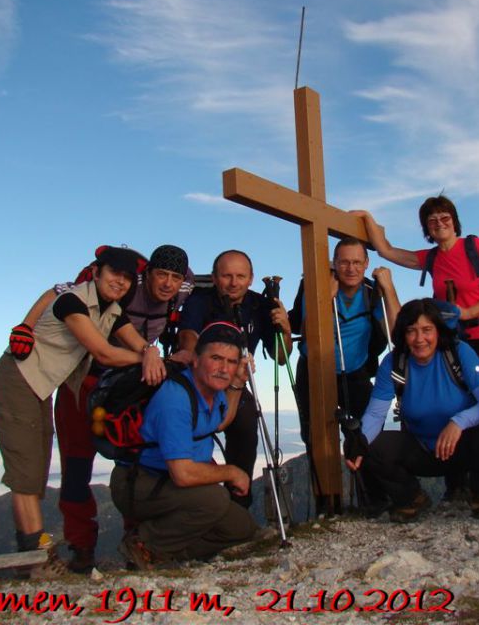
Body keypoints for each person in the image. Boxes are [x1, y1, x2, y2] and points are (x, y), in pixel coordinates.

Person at [10, 245, 194, 573]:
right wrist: (25, 326)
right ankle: (82, 550)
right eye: (161, 274)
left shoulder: (185, 289)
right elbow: (58, 291)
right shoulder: (123, 287)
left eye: (174, 277)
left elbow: (217, 296)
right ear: (147, 273)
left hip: (133, 385)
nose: (167, 283)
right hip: (84, 380)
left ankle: (138, 545)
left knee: (138, 463)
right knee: (77, 466)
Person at [0, 246, 149, 577]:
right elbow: (104, 353)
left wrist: (150, 352)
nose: (119, 282)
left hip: (39, 389)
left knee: (36, 468)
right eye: (113, 274)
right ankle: (36, 560)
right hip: (17, 381)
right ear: (97, 272)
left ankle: (32, 561)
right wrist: (147, 358)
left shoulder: (112, 311)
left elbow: (137, 342)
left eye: (126, 277)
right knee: (27, 473)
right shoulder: (72, 302)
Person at [345, 299, 479, 521]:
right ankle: (411, 498)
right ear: (403, 334)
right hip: (422, 449)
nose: (420, 339)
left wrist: (459, 422)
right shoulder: (393, 363)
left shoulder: (459, 352)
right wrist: (360, 443)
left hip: (463, 447)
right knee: (372, 447)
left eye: (427, 330)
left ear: (438, 330)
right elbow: (376, 414)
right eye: (412, 331)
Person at [121, 322, 258, 567]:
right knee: (214, 500)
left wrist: (238, 384)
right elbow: (182, 474)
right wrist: (232, 472)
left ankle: (167, 555)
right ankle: (144, 544)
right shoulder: (175, 398)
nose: (223, 369)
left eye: (231, 361)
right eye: (216, 358)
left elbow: (219, 422)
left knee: (241, 527)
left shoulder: (211, 391)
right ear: (195, 359)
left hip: (167, 483)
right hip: (141, 482)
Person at [175, 250, 292, 508]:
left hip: (236, 385)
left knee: (245, 427)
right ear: (215, 278)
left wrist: (284, 328)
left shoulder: (259, 305)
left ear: (250, 278)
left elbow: (281, 357)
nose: (234, 282)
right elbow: (188, 337)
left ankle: (239, 504)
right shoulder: (200, 301)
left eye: (241, 276)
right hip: (198, 383)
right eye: (226, 275)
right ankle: (197, 505)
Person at [353, 197, 479, 374]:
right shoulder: (431, 258)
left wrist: (468, 313)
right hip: (450, 340)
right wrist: (367, 216)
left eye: (445, 218)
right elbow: (386, 250)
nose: (439, 223)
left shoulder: (475, 246)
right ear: (427, 228)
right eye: (432, 220)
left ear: (454, 221)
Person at [288, 237, 400, 450]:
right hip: (313, 370)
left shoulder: (372, 292)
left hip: (355, 372)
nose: (351, 269)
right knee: (315, 439)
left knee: (367, 436)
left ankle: (365, 480)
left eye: (357, 262)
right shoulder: (315, 285)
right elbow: (308, 334)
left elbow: (398, 334)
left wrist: (389, 289)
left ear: (366, 263)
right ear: (334, 262)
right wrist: (324, 299)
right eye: (344, 262)